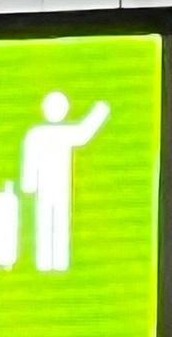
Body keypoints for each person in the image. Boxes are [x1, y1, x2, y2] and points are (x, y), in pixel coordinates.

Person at [19, 92, 110, 273]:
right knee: (46, 221)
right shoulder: (37, 134)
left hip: (60, 186)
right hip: (48, 186)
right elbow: (29, 159)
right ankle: (47, 262)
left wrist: (101, 110)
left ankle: (57, 262)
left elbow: (84, 133)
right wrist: (28, 184)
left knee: (58, 221)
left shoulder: (44, 133)